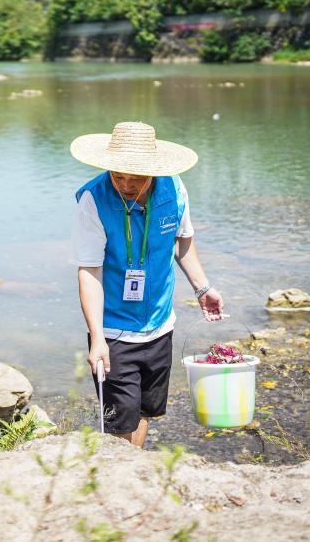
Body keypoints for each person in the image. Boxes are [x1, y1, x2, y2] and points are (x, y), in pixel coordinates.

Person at [70, 121, 225, 447]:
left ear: (154, 171)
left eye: (135, 177)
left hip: (160, 325)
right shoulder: (93, 201)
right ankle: (122, 478)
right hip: (114, 332)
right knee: (119, 418)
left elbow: (183, 241)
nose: (125, 184)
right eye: (118, 174)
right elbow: (90, 271)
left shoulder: (174, 190)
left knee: (143, 410)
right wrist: (97, 338)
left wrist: (202, 288)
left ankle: (134, 468)